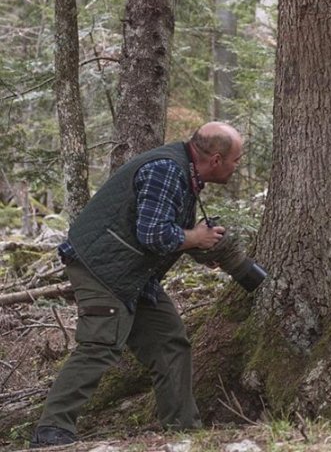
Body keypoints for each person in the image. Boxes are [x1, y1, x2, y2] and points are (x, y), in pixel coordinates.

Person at [30, 122, 266, 448]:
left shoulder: (185, 174)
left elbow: (168, 231)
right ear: (215, 159)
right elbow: (153, 234)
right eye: (236, 160)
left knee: (170, 341)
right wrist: (195, 236)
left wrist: (201, 245)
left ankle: (183, 431)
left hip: (133, 275)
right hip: (103, 269)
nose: (236, 167)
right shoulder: (167, 170)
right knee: (100, 345)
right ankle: (51, 431)